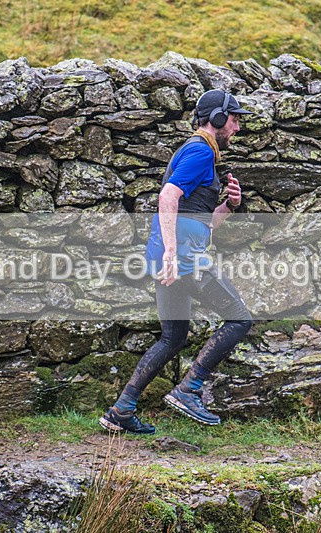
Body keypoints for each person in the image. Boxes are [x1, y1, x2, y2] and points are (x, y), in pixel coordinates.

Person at [99, 89, 254, 435]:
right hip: (182, 258)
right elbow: (168, 196)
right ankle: (189, 389)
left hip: (170, 254)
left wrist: (228, 207)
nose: (238, 127)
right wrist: (172, 253)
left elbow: (199, 221)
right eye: (234, 119)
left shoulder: (199, 152)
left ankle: (121, 410)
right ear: (216, 119)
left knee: (172, 337)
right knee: (240, 319)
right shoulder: (200, 151)